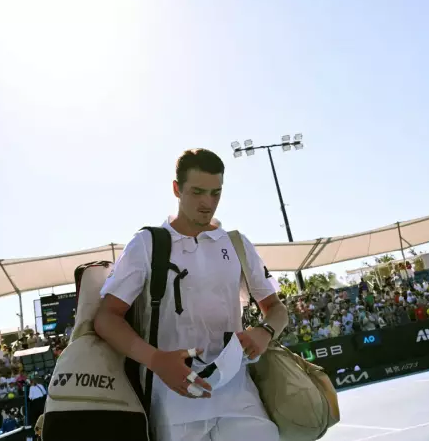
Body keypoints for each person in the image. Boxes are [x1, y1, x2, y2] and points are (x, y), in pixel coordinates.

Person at [95, 148, 288, 441]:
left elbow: (276, 308)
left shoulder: (236, 243)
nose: (207, 203)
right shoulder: (147, 244)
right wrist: (156, 360)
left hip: (240, 397)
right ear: (176, 189)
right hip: (174, 405)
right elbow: (107, 318)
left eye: (215, 193)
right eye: (197, 192)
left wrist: (265, 331)